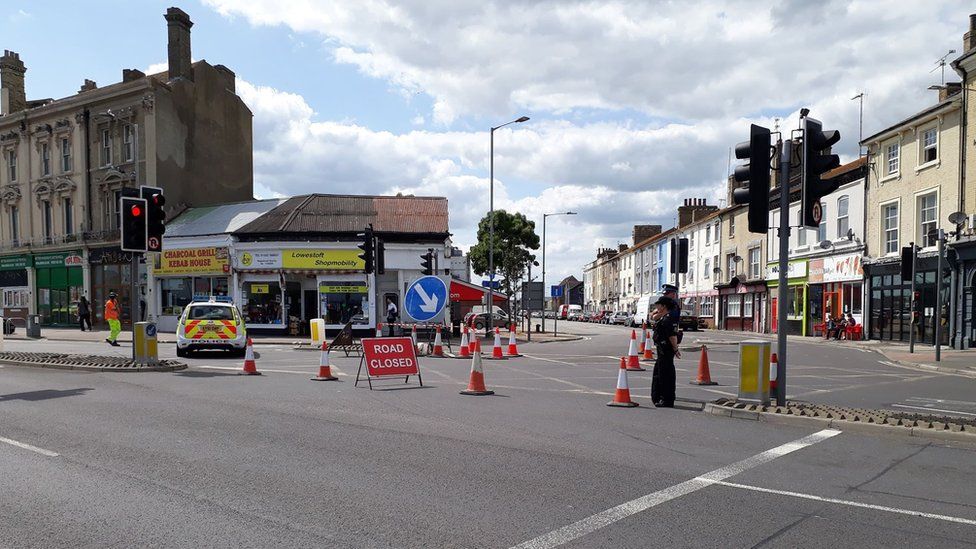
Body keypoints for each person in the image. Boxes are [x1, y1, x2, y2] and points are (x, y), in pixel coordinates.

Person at [651, 296, 681, 408]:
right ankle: (661, 397)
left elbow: (672, 336)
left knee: (666, 375)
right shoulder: (663, 317)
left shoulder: (667, 319)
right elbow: (652, 316)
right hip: (662, 350)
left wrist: (675, 349)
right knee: (660, 374)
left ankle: (667, 400)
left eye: (658, 305)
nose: (656, 307)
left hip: (665, 351)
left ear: (663, 306)